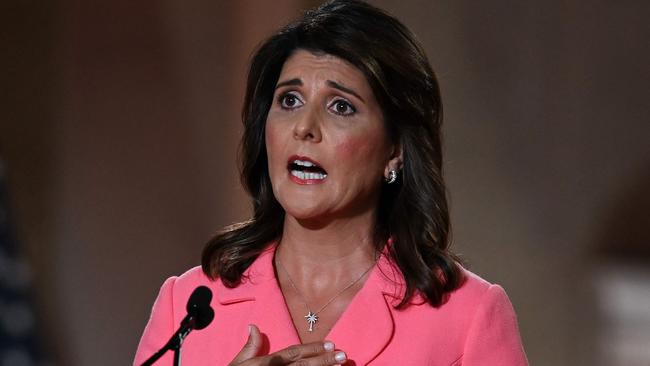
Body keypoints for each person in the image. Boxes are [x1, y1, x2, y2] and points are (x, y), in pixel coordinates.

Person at [134, 1, 528, 365]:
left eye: (341, 107)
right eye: (289, 101)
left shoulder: (466, 315)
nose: (304, 127)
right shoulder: (189, 307)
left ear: (395, 149)